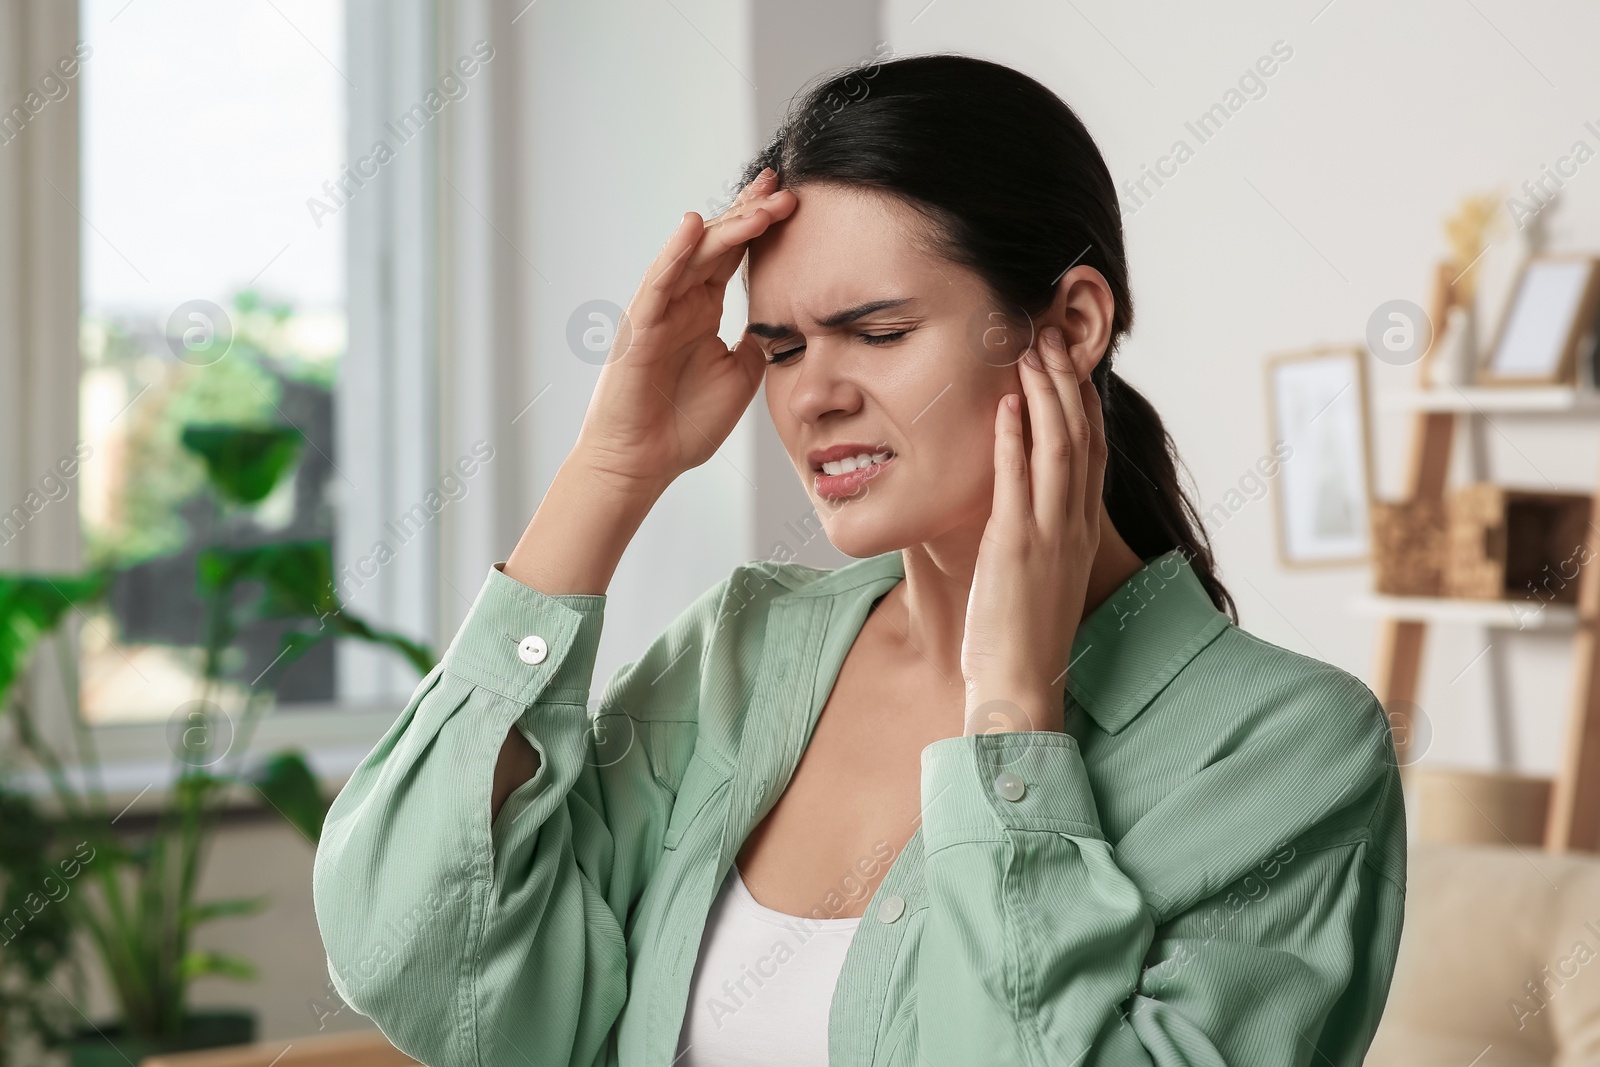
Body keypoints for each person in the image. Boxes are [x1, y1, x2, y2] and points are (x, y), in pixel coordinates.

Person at [313, 51, 1406, 1067]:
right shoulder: (742, 649)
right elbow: (428, 964)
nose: (811, 393)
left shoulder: (1285, 750)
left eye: (877, 332)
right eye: (782, 346)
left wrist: (1012, 720)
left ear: (1070, 324)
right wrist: (610, 469)